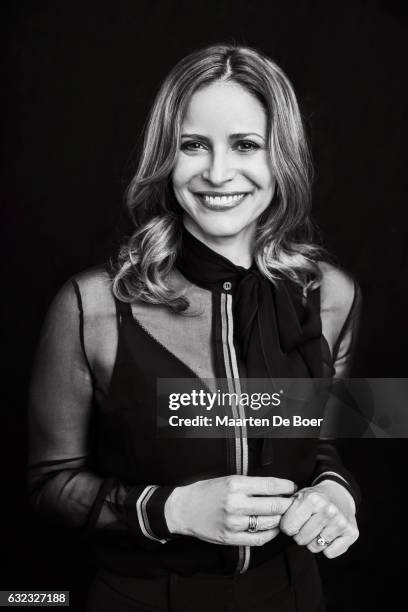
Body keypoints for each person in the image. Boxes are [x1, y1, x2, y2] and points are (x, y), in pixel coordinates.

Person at [28, 44, 361, 612]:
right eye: (193, 145)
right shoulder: (90, 305)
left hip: (294, 597)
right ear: (167, 157)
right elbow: (47, 485)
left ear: (282, 158)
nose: (217, 172)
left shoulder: (330, 294)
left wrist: (336, 493)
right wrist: (173, 510)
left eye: (246, 145)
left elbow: (322, 439)